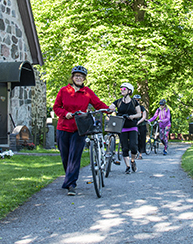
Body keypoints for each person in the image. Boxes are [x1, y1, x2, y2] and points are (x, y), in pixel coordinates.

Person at [53, 66, 114, 195]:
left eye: (81, 76)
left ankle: (71, 185)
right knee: (65, 156)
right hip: (63, 127)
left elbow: (98, 104)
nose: (78, 78)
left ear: (84, 78)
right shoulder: (64, 91)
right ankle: (69, 178)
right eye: (76, 76)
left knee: (75, 156)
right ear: (72, 77)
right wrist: (65, 113)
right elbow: (56, 107)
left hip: (80, 128)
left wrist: (108, 109)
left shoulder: (87, 92)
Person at [113, 83, 142, 173]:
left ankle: (132, 161)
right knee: (124, 148)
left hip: (132, 126)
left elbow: (139, 114)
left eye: (124, 88)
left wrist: (132, 116)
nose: (122, 90)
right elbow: (111, 107)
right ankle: (128, 166)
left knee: (133, 147)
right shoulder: (118, 102)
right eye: (121, 89)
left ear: (129, 91)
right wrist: (110, 109)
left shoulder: (134, 102)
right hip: (122, 127)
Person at [134, 94, 148, 159]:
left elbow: (144, 116)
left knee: (142, 139)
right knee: (134, 139)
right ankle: (135, 152)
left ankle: (140, 154)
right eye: (135, 100)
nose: (137, 101)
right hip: (134, 126)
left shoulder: (142, 108)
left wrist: (139, 122)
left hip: (141, 125)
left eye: (138, 100)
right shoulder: (132, 108)